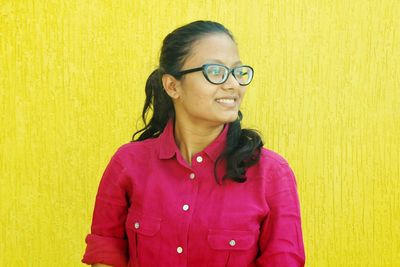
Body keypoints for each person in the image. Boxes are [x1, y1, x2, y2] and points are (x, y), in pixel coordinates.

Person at [82, 20, 306, 267]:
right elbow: (106, 252)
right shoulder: (128, 163)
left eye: (237, 72)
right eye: (216, 72)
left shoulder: (272, 174)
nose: (232, 84)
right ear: (172, 86)